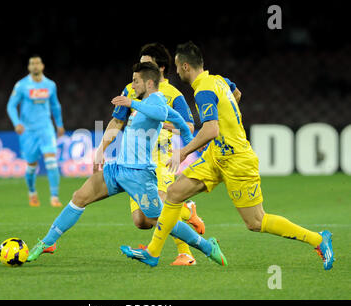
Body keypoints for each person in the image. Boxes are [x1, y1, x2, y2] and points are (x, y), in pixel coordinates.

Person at [121, 41, 335, 270]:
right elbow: (236, 94)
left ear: (184, 67)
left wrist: (184, 151)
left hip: (237, 159)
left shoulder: (203, 90)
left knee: (255, 221)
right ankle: (153, 253)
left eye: (176, 65)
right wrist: (227, 120)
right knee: (173, 194)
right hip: (216, 156)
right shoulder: (220, 80)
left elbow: (210, 129)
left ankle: (319, 239)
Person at [27, 62, 226, 266]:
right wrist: (187, 141)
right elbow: (180, 122)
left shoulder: (156, 100)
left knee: (162, 220)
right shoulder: (144, 102)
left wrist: (133, 104)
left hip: (140, 175)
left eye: (135, 81)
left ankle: (207, 247)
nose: (132, 85)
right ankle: (47, 242)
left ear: (149, 83)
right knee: (80, 196)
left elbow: (161, 114)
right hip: (118, 169)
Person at [110, 43, 205, 266]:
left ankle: (185, 253)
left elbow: (189, 126)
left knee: (161, 208)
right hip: (135, 162)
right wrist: (102, 149)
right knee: (141, 220)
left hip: (161, 159)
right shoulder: (130, 89)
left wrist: (163, 125)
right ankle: (185, 210)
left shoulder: (173, 95)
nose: (141, 68)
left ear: (161, 68)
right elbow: (117, 120)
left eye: (147, 64)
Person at [7, 55, 65, 208]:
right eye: (32, 63)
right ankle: (32, 193)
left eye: (37, 63)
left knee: (52, 163)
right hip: (28, 132)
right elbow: (11, 106)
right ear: (29, 67)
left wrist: (59, 124)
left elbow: (55, 106)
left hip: (46, 129)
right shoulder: (22, 85)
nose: (35, 66)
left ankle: (54, 197)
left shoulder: (50, 85)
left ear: (42, 66)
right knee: (31, 166)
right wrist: (17, 123)